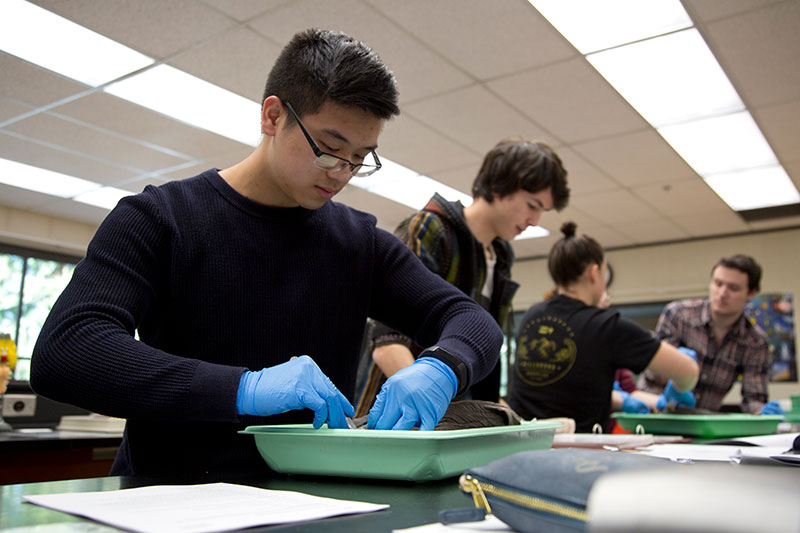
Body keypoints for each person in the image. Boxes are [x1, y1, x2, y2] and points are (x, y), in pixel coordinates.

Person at [30, 28, 504, 478]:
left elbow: (471, 321)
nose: (342, 172)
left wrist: (442, 365)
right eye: (330, 148)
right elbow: (66, 351)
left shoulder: (358, 243)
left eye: (361, 158)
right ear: (272, 115)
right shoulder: (161, 218)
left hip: (316, 498)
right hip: (169, 494)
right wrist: (242, 389)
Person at [355, 138, 570, 415]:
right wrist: (442, 409)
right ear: (499, 185)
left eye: (542, 211)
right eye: (532, 205)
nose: (536, 221)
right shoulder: (431, 229)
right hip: (392, 415)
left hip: (446, 415)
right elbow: (388, 345)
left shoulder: (500, 257)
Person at [503, 222, 698, 433]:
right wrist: (679, 389)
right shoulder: (607, 325)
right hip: (575, 450)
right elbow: (687, 370)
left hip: (521, 442)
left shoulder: (533, 315)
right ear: (594, 272)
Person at [638, 254, 782, 415]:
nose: (722, 293)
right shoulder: (678, 315)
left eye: (733, 288)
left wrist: (763, 413)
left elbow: (754, 400)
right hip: (654, 414)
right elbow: (654, 373)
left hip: (703, 423)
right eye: (718, 283)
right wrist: (678, 372)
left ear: (751, 293)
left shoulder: (755, 343)